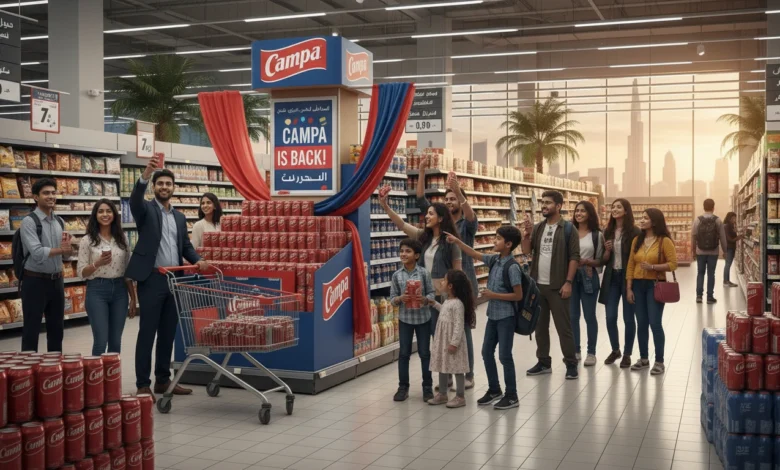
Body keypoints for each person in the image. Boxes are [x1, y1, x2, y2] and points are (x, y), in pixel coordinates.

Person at [126, 156, 207, 399]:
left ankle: (163, 380)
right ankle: (143, 383)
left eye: (168, 184)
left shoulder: (180, 217)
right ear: (154, 186)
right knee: (147, 332)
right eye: (160, 183)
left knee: (168, 332)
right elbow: (134, 201)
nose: (164, 187)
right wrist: (145, 175)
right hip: (151, 279)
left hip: (174, 281)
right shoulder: (145, 210)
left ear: (173, 188)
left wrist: (198, 260)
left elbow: (185, 246)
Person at [416, 158, 478, 389]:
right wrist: (422, 171)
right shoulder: (437, 227)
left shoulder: (466, 225)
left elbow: (471, 216)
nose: (450, 201)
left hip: (462, 283)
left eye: (454, 199)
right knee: (442, 331)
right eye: (448, 199)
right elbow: (421, 200)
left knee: (461, 330)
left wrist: (457, 189)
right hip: (439, 287)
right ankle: (448, 374)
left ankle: (468, 374)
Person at [446, 225, 523, 410]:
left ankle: (512, 395)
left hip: (506, 317)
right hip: (493, 316)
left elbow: (518, 295)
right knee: (486, 352)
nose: (493, 241)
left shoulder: (513, 267)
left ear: (509, 244)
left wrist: (493, 295)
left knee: (505, 356)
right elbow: (474, 254)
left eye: (497, 238)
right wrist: (457, 241)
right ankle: (494, 389)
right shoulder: (495, 260)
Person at [379, 193, 462, 333]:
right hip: (424, 296)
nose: (427, 216)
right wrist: (386, 207)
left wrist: (456, 299)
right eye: (427, 214)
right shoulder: (423, 237)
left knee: (443, 335)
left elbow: (458, 273)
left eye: (431, 214)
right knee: (432, 336)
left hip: (443, 296)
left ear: (441, 218)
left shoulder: (451, 242)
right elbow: (402, 224)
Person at [520, 190, 579, 380]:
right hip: (538, 286)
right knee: (540, 326)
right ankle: (544, 362)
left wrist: (568, 282)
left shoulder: (568, 229)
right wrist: (526, 234)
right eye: (543, 202)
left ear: (559, 206)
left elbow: (574, 258)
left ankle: (571, 363)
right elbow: (527, 251)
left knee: (564, 328)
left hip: (558, 286)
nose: (544, 205)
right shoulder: (538, 228)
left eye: (548, 203)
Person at [77, 199, 137, 356]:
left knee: (116, 341)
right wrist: (97, 263)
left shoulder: (122, 239)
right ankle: (96, 379)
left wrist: (133, 298)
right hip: (97, 290)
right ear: (95, 215)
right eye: (101, 211)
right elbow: (81, 272)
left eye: (108, 211)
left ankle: (112, 379)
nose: (105, 214)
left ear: (114, 215)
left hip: (120, 291)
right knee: (100, 340)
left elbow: (128, 272)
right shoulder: (87, 240)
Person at [19, 178, 71, 352]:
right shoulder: (29, 222)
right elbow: (37, 253)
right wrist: (61, 249)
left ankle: (53, 371)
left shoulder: (60, 222)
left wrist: (70, 250)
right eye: (46, 193)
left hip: (57, 281)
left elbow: (66, 256)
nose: (51, 196)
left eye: (53, 193)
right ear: (35, 197)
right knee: (31, 330)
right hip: (34, 281)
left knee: (57, 331)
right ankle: (28, 375)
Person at [627, 208, 678, 376]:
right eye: (641, 218)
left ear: (654, 222)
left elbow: (673, 264)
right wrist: (629, 288)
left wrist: (653, 267)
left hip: (654, 285)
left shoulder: (664, 241)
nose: (641, 221)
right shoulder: (637, 240)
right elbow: (631, 265)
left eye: (645, 218)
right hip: (637, 286)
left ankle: (659, 361)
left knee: (655, 323)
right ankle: (643, 358)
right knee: (641, 322)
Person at [389, 238, 436, 403]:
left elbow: (432, 293)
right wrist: (400, 298)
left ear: (417, 255)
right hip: (405, 320)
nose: (403, 254)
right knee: (403, 354)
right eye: (402, 251)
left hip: (423, 319)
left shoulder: (423, 273)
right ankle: (403, 387)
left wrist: (425, 299)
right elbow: (392, 299)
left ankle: (427, 387)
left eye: (408, 251)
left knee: (425, 354)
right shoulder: (396, 275)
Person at [599, 198, 641, 368]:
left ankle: (627, 353)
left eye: (618, 207)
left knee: (629, 319)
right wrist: (607, 251)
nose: (614, 209)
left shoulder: (635, 232)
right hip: (611, 278)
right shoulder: (607, 231)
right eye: (613, 207)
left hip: (628, 278)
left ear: (626, 211)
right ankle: (615, 349)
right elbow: (603, 259)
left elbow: (636, 258)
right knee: (610, 317)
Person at [427, 270, 474, 409]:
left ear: (451, 286)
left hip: (453, 341)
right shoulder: (447, 300)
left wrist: (454, 343)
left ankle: (460, 396)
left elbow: (459, 325)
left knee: (457, 367)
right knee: (443, 365)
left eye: (444, 280)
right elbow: (444, 311)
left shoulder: (458, 304)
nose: (442, 282)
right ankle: (442, 394)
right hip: (443, 339)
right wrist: (434, 304)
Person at [570, 201, 605, 367]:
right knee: (572, 316)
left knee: (589, 316)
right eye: (577, 210)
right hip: (570, 276)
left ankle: (591, 352)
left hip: (589, 276)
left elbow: (600, 260)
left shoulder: (597, 234)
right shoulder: (569, 232)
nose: (579, 213)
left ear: (590, 214)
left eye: (583, 211)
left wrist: (588, 262)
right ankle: (575, 350)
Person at [692, 198, 726, 304]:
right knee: (711, 274)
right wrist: (725, 251)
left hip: (700, 251)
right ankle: (710, 297)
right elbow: (722, 237)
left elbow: (693, 236)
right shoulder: (718, 220)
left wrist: (693, 251)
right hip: (713, 251)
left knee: (700, 273)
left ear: (703, 207)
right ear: (713, 207)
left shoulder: (697, 220)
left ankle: (699, 296)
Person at [723, 212, 741, 288]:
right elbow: (729, 239)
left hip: (731, 248)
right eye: (733, 218)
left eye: (735, 218)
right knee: (727, 265)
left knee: (728, 264)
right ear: (729, 218)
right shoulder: (726, 226)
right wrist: (738, 238)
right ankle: (726, 281)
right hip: (729, 248)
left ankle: (727, 280)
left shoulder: (730, 226)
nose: (734, 220)